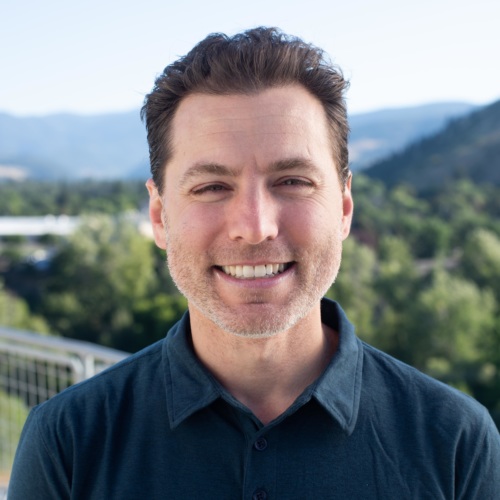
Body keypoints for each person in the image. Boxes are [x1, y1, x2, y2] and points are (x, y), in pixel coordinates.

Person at [8, 27, 500, 499]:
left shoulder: (456, 443)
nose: (255, 225)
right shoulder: (67, 443)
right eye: (211, 187)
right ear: (159, 216)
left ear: (345, 207)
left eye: (292, 181)